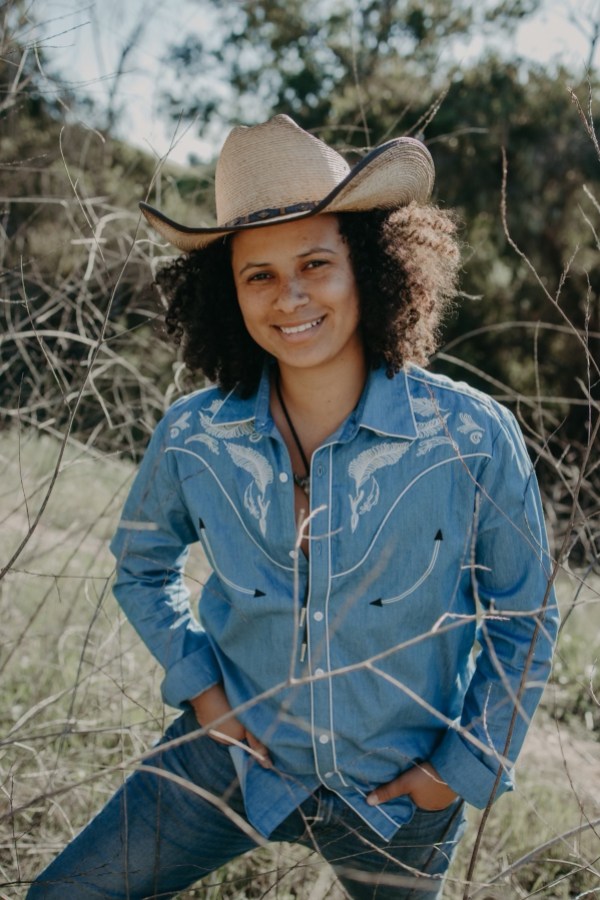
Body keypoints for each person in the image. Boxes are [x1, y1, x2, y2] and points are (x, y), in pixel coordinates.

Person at [28, 114, 558, 899]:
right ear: (227, 293)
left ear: (372, 268)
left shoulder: (470, 437)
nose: (291, 297)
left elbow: (525, 618)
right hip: (232, 761)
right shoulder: (195, 434)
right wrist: (204, 695)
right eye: (259, 275)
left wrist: (461, 769)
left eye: (316, 262)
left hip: (399, 793)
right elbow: (141, 567)